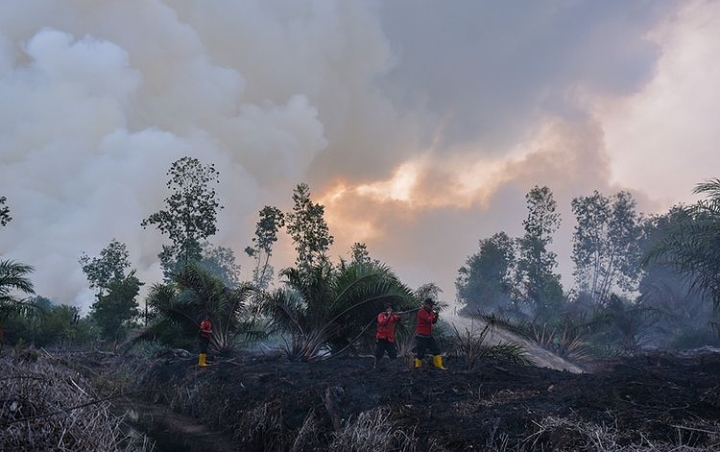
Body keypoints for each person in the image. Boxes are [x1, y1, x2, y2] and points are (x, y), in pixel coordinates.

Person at [414, 298, 446, 370]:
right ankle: (417, 367)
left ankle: (439, 366)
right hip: (421, 336)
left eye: (432, 305)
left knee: (436, 350)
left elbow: (433, 322)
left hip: (428, 335)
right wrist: (432, 315)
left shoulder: (430, 312)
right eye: (430, 305)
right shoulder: (421, 312)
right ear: (426, 305)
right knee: (421, 353)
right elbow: (428, 320)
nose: (432, 306)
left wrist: (436, 316)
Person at [374, 302, 401, 368]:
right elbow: (382, 323)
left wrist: (399, 315)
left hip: (389, 338)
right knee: (379, 352)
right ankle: (376, 365)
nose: (390, 310)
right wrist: (388, 316)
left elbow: (397, 319)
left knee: (392, 353)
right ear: (385, 310)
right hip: (381, 337)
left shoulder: (392, 316)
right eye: (388, 309)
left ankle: (394, 367)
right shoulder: (381, 315)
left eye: (390, 309)